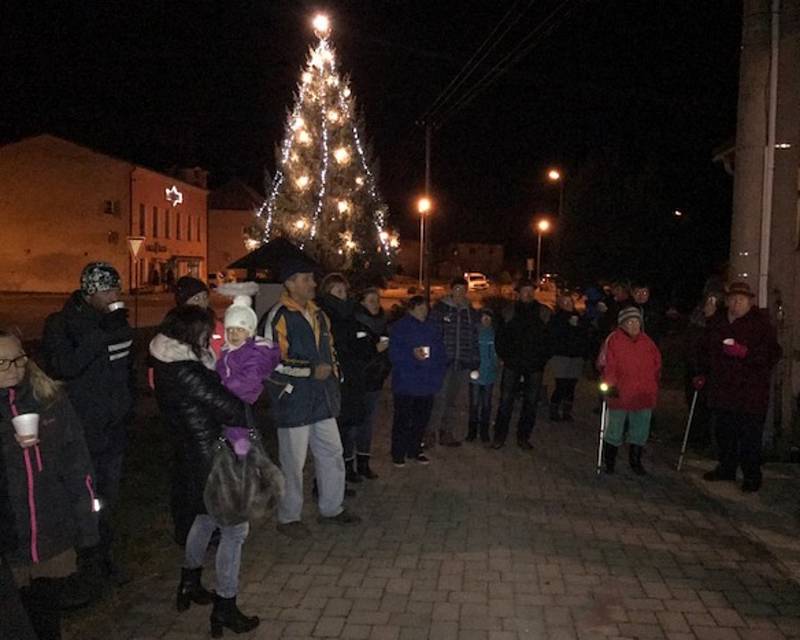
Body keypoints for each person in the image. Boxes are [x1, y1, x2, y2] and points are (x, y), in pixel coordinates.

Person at [150, 306, 259, 636]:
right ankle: (225, 606)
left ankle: (190, 582)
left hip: (192, 455)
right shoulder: (187, 370)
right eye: (206, 331)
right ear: (190, 332)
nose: (211, 336)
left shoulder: (165, 359)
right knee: (235, 530)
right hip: (210, 458)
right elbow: (230, 408)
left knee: (204, 517)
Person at [40, 261, 134, 586]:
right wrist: (99, 334)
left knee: (108, 496)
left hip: (115, 429)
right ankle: (83, 561)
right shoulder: (62, 325)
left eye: (116, 289)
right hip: (82, 430)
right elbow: (64, 367)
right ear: (90, 292)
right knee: (83, 497)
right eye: (107, 290)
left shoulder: (118, 323)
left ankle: (105, 557)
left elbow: (125, 372)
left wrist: (127, 409)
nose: (114, 295)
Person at [1, 329, 99, 639]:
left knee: (46, 619)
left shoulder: (49, 399)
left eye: (18, 359)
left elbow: (78, 464)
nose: (14, 369)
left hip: (50, 532)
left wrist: (87, 528)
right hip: (8, 540)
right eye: (2, 362)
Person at [262, 259, 361, 541]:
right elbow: (271, 361)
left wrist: (335, 376)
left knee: (332, 453)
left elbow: (329, 351)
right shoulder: (279, 316)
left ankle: (332, 507)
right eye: (307, 279)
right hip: (293, 400)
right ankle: (288, 516)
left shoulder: (318, 314)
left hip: (321, 398)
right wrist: (309, 371)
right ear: (290, 283)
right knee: (292, 463)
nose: (314, 284)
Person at [696, 281, 781, 492]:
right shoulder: (718, 322)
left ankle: (752, 476)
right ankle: (727, 468)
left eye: (741, 300)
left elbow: (773, 354)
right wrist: (701, 372)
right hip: (723, 390)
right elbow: (704, 348)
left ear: (750, 302)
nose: (736, 303)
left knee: (750, 437)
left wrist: (746, 353)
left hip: (750, 393)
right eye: (733, 299)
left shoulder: (761, 325)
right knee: (725, 433)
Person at [316, 273, 373, 487]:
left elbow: (357, 340)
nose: (343, 295)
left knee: (347, 428)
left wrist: (364, 343)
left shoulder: (350, 314)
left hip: (352, 378)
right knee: (333, 433)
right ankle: (324, 484)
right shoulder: (324, 315)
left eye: (344, 290)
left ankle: (341, 477)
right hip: (335, 379)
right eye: (337, 291)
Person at [599, 307, 662, 475]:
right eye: (630, 322)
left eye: (637, 322)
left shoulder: (648, 342)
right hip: (621, 393)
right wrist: (610, 385)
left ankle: (635, 462)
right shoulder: (614, 340)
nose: (634, 325)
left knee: (640, 430)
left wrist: (653, 385)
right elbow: (608, 366)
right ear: (622, 324)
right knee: (615, 429)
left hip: (643, 394)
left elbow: (657, 365)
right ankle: (609, 462)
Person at [492, 279, 553, 450]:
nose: (528, 293)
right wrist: (505, 356)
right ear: (518, 293)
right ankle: (499, 436)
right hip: (512, 364)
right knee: (505, 401)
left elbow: (550, 339)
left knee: (531, 403)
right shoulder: (508, 312)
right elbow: (500, 337)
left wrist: (542, 359)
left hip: (535, 365)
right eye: (524, 290)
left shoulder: (544, 312)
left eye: (530, 290)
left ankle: (523, 437)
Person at [389, 296, 447, 466]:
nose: (424, 311)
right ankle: (398, 452)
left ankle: (415, 449)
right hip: (406, 383)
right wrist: (411, 355)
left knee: (421, 420)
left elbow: (440, 353)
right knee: (402, 419)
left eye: (426, 308)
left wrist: (438, 374)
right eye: (421, 308)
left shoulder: (431, 328)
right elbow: (394, 354)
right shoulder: (400, 327)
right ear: (411, 309)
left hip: (426, 383)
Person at [427, 277, 480, 447]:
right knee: (439, 398)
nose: (459, 293)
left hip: (462, 362)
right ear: (451, 290)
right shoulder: (440, 309)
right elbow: (432, 335)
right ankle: (430, 432)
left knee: (453, 400)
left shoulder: (471, 312)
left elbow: (474, 337)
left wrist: (474, 359)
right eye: (456, 289)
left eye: (463, 290)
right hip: (444, 362)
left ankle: (446, 431)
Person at [352, 287, 391, 478]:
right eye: (370, 300)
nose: (375, 304)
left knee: (368, 423)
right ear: (361, 303)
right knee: (354, 422)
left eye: (377, 300)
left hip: (376, 379)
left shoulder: (382, 322)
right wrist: (374, 349)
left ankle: (364, 463)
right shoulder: (356, 322)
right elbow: (355, 353)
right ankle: (349, 464)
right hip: (359, 380)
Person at [548, 292, 590, 422]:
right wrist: (567, 326)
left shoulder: (579, 318)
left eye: (569, 302)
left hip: (576, 356)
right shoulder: (556, 319)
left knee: (571, 385)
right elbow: (553, 336)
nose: (567, 305)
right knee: (561, 384)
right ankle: (554, 410)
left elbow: (585, 335)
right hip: (561, 356)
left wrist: (578, 327)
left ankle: (567, 411)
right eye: (564, 302)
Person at [467, 308, 497, 442]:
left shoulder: (494, 334)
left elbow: (496, 354)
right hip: (475, 374)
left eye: (488, 317)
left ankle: (484, 432)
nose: (486, 320)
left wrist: (496, 365)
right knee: (474, 404)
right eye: (483, 317)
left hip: (489, 375)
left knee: (486, 404)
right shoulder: (474, 333)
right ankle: (472, 432)